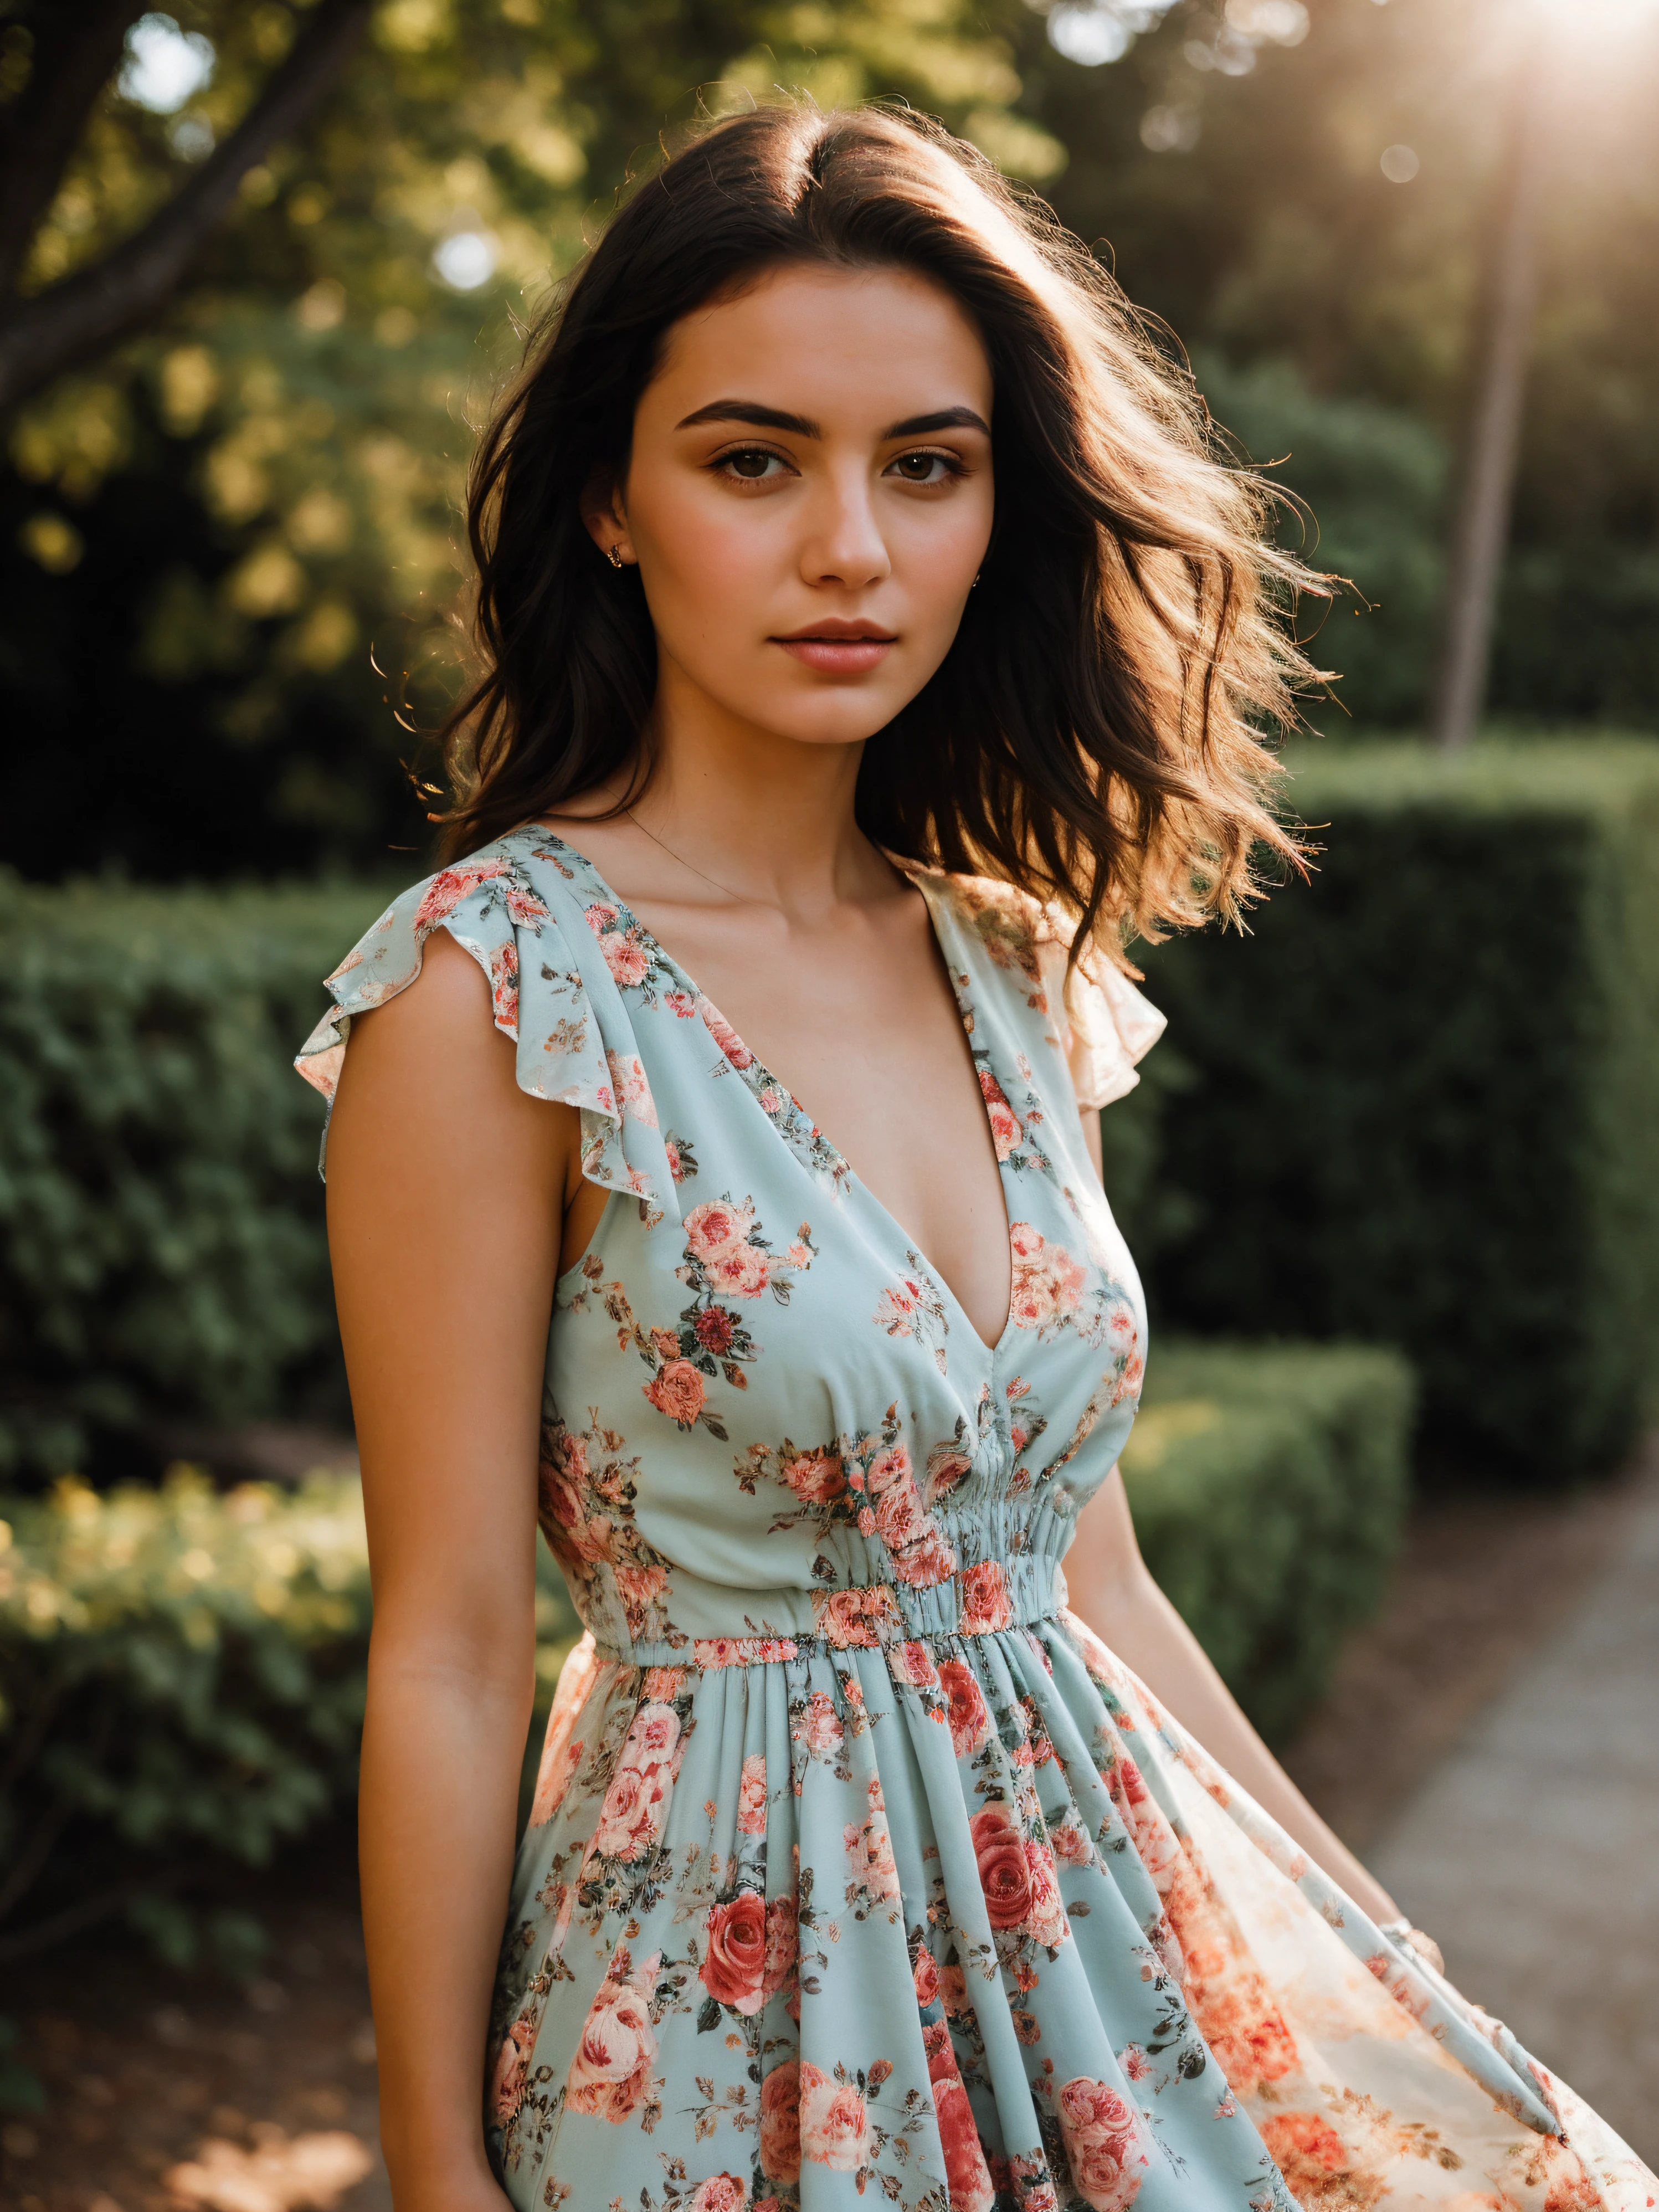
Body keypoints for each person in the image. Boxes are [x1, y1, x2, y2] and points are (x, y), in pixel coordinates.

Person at [298, 105, 1653, 2212]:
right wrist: (431, 2171)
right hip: (724, 2032)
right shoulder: (497, 999)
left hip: (1099, 1983)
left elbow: (1088, 1572)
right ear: (612, 503)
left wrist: (1373, 1959)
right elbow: (454, 1647)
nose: (852, 546)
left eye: (925, 467)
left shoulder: (1016, 966)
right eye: (755, 462)